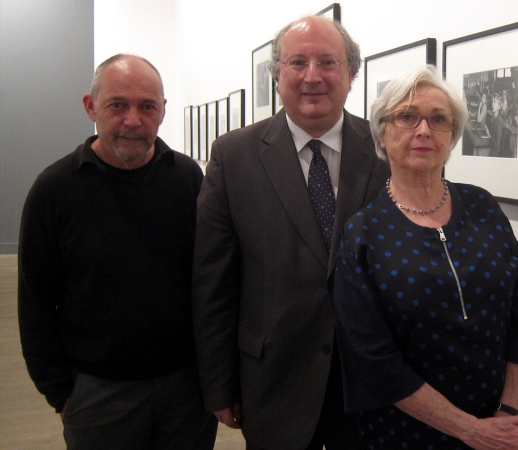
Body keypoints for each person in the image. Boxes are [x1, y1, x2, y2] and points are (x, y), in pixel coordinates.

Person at [192, 16, 390, 450]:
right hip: (271, 381)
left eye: (328, 62)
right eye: (297, 62)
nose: (312, 76)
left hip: (369, 382)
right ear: (277, 74)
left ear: (351, 74)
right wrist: (219, 386)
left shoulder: (385, 151)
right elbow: (213, 285)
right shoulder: (234, 155)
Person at [333, 66, 518, 450]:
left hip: (496, 426)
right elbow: (373, 358)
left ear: (452, 135)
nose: (424, 130)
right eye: (407, 117)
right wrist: (469, 430)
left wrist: (509, 411)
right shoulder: (362, 233)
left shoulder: (483, 206)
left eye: (438, 119)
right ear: (382, 132)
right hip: (400, 432)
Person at [18, 54, 216, 449]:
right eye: (117, 105)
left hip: (186, 392)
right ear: (91, 107)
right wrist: (62, 393)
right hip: (97, 397)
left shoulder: (187, 179)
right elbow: (35, 304)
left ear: (162, 111)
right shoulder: (54, 190)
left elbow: (209, 281)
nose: (132, 120)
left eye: (147, 107)